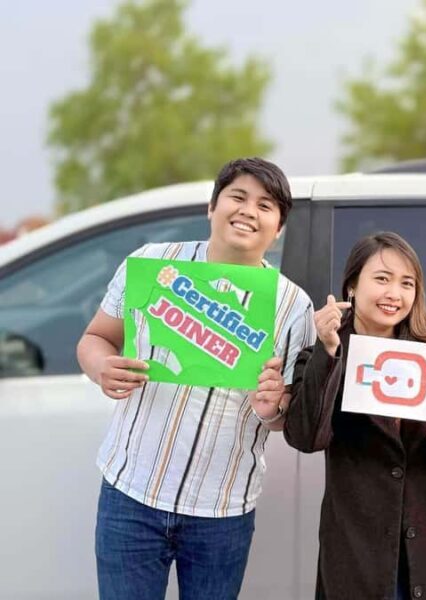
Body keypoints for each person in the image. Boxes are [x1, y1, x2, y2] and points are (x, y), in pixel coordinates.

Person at [77, 157, 315, 600]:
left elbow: (285, 416)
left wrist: (274, 408)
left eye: (265, 205)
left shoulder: (293, 307)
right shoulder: (151, 264)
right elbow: (95, 339)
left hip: (222, 509)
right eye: (237, 197)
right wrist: (101, 368)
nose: (248, 211)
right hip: (131, 493)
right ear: (212, 206)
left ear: (278, 228)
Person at [279, 231, 426, 599]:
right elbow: (306, 437)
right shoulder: (325, 352)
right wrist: (329, 352)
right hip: (358, 544)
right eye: (382, 279)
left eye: (407, 283)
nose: (394, 294)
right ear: (352, 286)